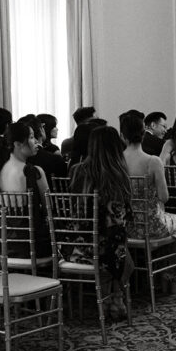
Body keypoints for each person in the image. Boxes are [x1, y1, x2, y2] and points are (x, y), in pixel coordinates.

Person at [69, 126, 134, 320]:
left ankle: (110, 297)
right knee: (124, 257)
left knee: (116, 248)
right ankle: (115, 297)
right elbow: (121, 221)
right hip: (107, 248)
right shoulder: (117, 175)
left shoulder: (76, 170)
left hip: (77, 245)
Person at [120, 112, 176, 285]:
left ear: (122, 136)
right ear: (143, 133)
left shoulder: (117, 160)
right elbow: (164, 197)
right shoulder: (152, 161)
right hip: (152, 225)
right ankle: (174, 276)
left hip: (126, 226)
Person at [0, 121, 51, 258]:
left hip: (2, 245)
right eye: (32, 137)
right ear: (17, 144)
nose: (37, 142)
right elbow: (49, 209)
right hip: (31, 247)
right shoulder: (33, 172)